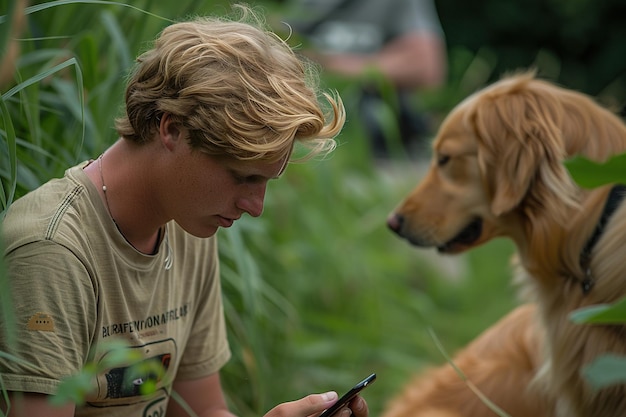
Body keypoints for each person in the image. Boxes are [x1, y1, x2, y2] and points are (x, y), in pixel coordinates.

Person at [0, 4, 370, 417]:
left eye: (267, 181)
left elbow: (201, 410)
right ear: (172, 129)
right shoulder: (52, 252)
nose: (256, 207)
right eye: (242, 177)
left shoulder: (186, 223)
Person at [284, 0, 447, 158]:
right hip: (310, 139)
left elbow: (427, 66)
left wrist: (332, 65)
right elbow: (277, 48)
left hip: (382, 144)